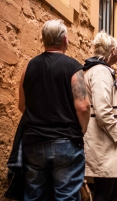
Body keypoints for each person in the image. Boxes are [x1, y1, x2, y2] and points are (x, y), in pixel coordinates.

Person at [18, 19, 90, 200]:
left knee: (34, 196)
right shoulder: (73, 67)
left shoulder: (29, 66)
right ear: (65, 39)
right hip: (66, 142)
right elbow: (83, 106)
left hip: (34, 142)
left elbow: (22, 105)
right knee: (66, 196)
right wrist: (80, 130)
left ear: (43, 40)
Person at [83, 31, 117, 201]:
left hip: (106, 143)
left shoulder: (99, 71)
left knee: (111, 192)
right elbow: (103, 110)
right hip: (105, 144)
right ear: (112, 51)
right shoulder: (101, 72)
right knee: (104, 194)